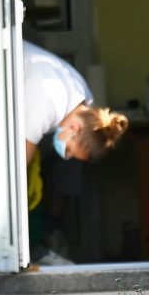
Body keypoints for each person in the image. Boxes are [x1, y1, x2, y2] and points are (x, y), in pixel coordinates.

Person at [16, 39, 128, 268]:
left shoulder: (81, 96)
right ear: (75, 128)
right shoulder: (46, 102)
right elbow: (16, 173)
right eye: (69, 150)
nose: (65, 154)